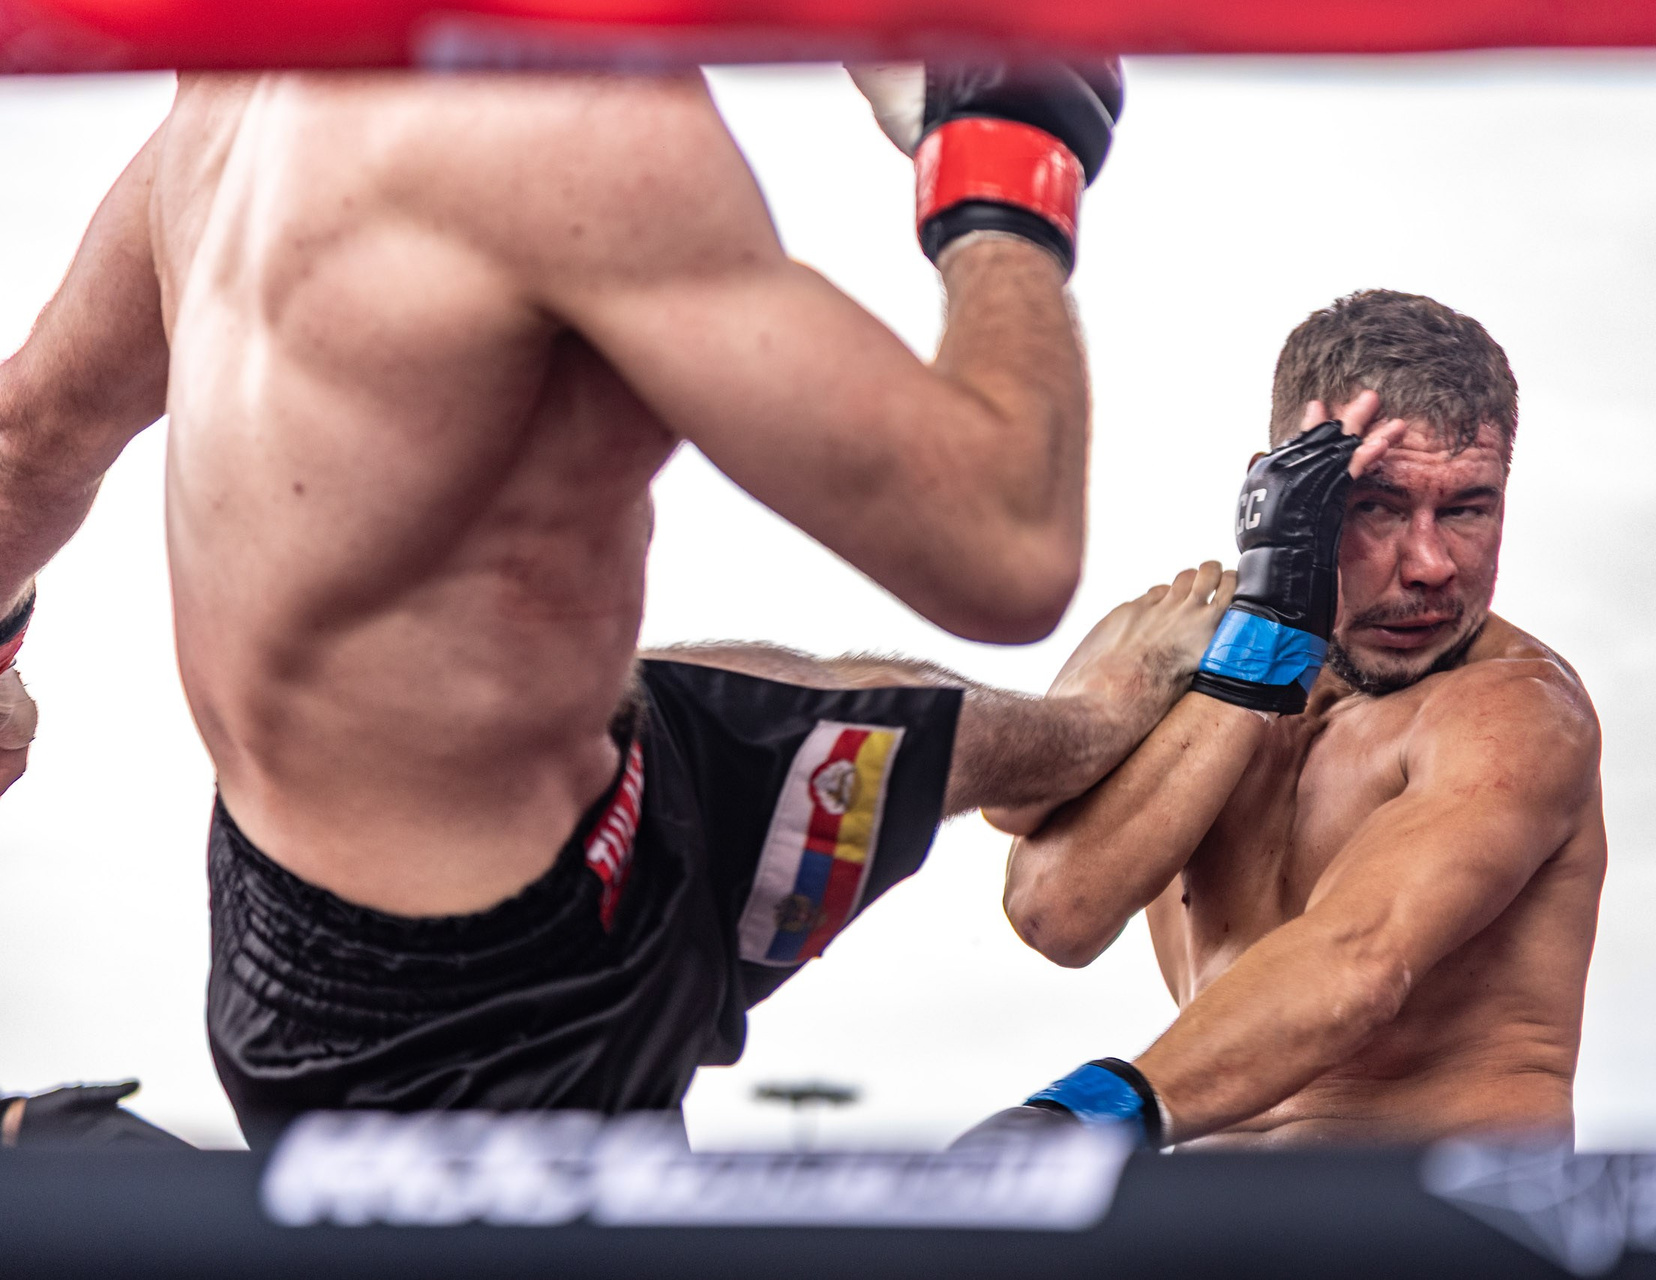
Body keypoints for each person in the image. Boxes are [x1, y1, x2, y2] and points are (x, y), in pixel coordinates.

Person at [0, 62, 1129, 1143]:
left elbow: (30, 437)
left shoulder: (238, 93)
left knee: (783, 713)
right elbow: (1006, 544)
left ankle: (1076, 739)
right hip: (484, 1011)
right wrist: (1002, 158)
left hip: (342, 869)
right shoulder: (571, 122)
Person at [970, 291, 1606, 1150]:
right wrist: (1260, 643)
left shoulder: (1518, 710)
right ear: (1275, 496)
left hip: (1435, 1213)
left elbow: (1357, 958)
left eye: (1467, 509)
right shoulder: (1189, 650)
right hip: (1220, 1209)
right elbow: (1057, 912)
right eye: (1376, 505)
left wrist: (1083, 1113)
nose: (1431, 564)